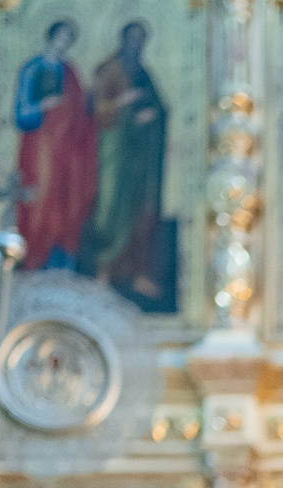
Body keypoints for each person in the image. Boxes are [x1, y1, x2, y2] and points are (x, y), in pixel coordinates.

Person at [86, 21, 167, 304]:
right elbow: (95, 110)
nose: (136, 45)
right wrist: (125, 106)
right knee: (111, 208)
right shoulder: (109, 70)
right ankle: (102, 270)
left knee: (139, 210)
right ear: (123, 40)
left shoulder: (143, 74)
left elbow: (157, 108)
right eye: (132, 39)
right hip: (112, 153)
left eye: (141, 40)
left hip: (138, 156)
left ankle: (136, 273)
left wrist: (149, 117)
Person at [13, 20, 96, 272]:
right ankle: (36, 257)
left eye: (69, 39)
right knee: (38, 200)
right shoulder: (32, 69)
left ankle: (61, 262)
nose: (64, 43)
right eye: (61, 37)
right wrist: (43, 106)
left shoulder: (69, 71)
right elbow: (21, 113)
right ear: (51, 37)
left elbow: (79, 111)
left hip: (67, 151)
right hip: (39, 147)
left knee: (64, 200)